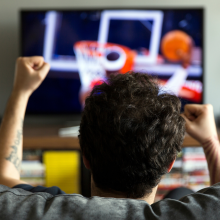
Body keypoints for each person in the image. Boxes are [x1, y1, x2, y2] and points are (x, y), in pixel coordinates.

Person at [0, 56, 220, 219]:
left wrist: (21, 90)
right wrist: (210, 141)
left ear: (86, 156)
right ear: (170, 163)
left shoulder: (29, 210)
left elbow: (5, 175)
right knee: (180, 193)